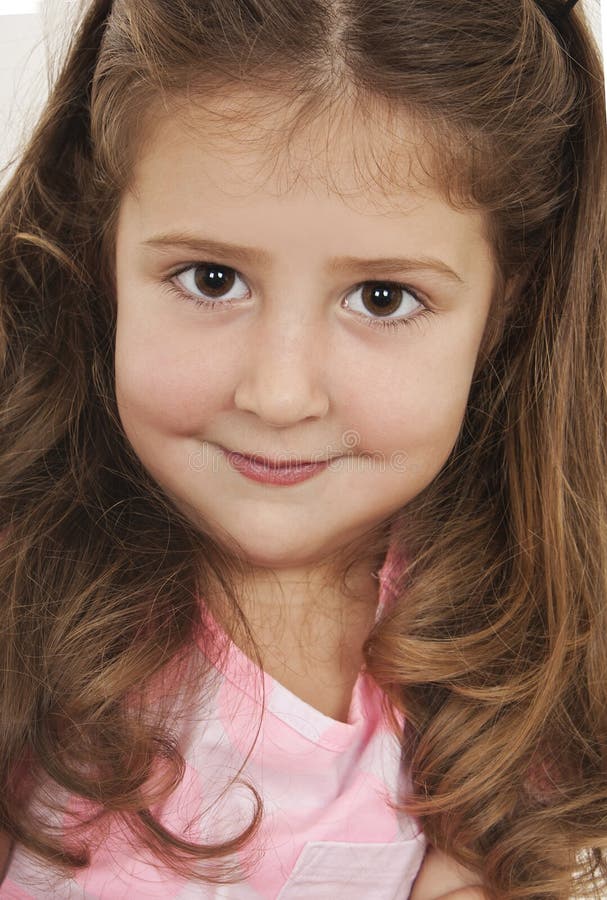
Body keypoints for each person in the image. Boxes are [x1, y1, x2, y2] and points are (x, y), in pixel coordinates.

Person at [0, 0, 605, 896]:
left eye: (382, 298)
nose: (279, 395)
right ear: (103, 249)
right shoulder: (23, 606)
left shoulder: (522, 625)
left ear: (504, 304)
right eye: (211, 279)